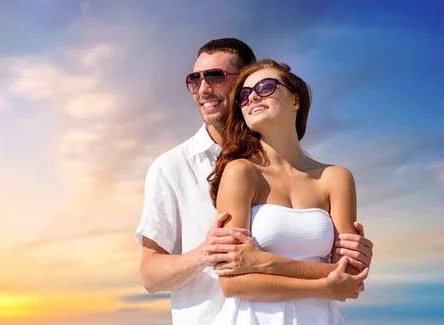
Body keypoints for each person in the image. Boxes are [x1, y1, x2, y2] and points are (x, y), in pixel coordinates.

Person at [135, 38, 374, 325]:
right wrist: (205, 254)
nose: (203, 88)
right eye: (194, 79)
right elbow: (150, 275)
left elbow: (347, 276)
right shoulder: (172, 167)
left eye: (215, 76)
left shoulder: (323, 174)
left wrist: (351, 260)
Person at [207, 58, 367, 324]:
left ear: (296, 100)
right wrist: (323, 285)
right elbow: (232, 284)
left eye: (266, 86)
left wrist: (264, 263)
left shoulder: (335, 177)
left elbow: (348, 277)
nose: (253, 97)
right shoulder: (240, 172)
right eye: (244, 95)